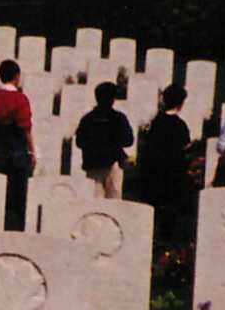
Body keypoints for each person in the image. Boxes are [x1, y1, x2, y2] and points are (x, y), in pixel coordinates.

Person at [0, 58, 35, 230]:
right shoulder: (20, 99)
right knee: (16, 194)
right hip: (16, 150)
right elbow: (25, 127)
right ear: (17, 76)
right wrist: (31, 151)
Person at [133, 83, 196, 235]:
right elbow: (184, 146)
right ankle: (166, 233)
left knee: (154, 201)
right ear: (181, 104)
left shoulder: (156, 121)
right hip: (172, 170)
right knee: (169, 204)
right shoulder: (179, 125)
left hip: (154, 168)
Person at [73, 81, 135, 200]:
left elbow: (79, 142)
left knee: (96, 201)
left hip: (93, 164)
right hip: (112, 163)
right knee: (113, 199)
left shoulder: (88, 119)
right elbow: (128, 140)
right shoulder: (118, 118)